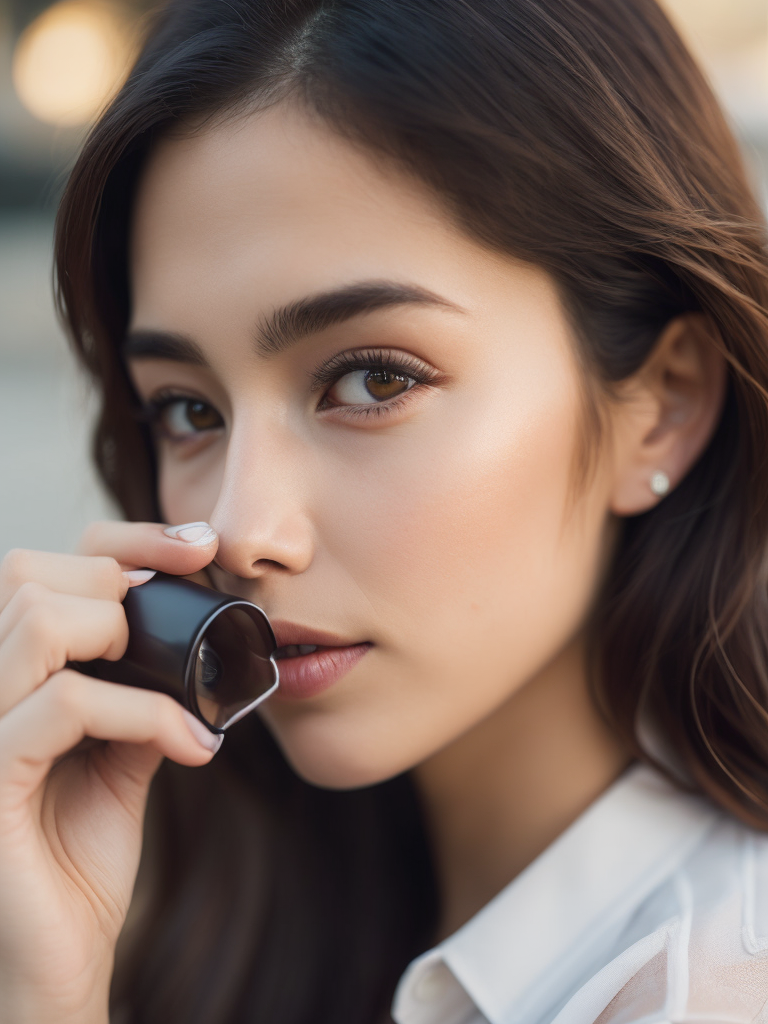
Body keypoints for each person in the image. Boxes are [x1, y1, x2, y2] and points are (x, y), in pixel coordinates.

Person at [2, 0, 768, 1020]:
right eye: (189, 410)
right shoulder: (270, 919)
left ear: (659, 406)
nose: (244, 530)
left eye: (371, 381)